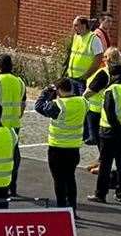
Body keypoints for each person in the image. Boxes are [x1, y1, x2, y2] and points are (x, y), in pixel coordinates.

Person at [89, 63, 121, 203]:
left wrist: (119, 130)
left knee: (105, 164)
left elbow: (109, 113)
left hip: (109, 132)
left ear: (112, 75)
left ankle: (100, 194)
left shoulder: (111, 90)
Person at [35, 80, 85, 209]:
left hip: (57, 148)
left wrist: (46, 92)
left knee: (59, 180)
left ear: (59, 90)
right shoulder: (83, 102)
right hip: (74, 148)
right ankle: (72, 207)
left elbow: (39, 106)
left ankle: (62, 207)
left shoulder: (58, 105)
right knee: (70, 178)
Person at [0, 54, 26, 197]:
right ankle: (12, 187)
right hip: (14, 125)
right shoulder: (19, 82)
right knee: (13, 157)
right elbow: (22, 105)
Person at [83, 47, 119, 171]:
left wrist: (82, 99)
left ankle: (103, 164)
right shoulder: (118, 72)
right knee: (101, 139)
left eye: (105, 56)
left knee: (99, 139)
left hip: (96, 109)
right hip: (106, 109)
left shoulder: (104, 73)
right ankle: (101, 160)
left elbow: (92, 90)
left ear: (108, 59)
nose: (103, 59)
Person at [65, 15, 103, 98]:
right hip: (71, 77)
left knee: (81, 102)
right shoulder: (76, 37)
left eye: (76, 25)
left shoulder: (94, 39)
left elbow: (98, 60)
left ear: (83, 25)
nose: (74, 28)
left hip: (82, 79)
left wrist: (86, 76)